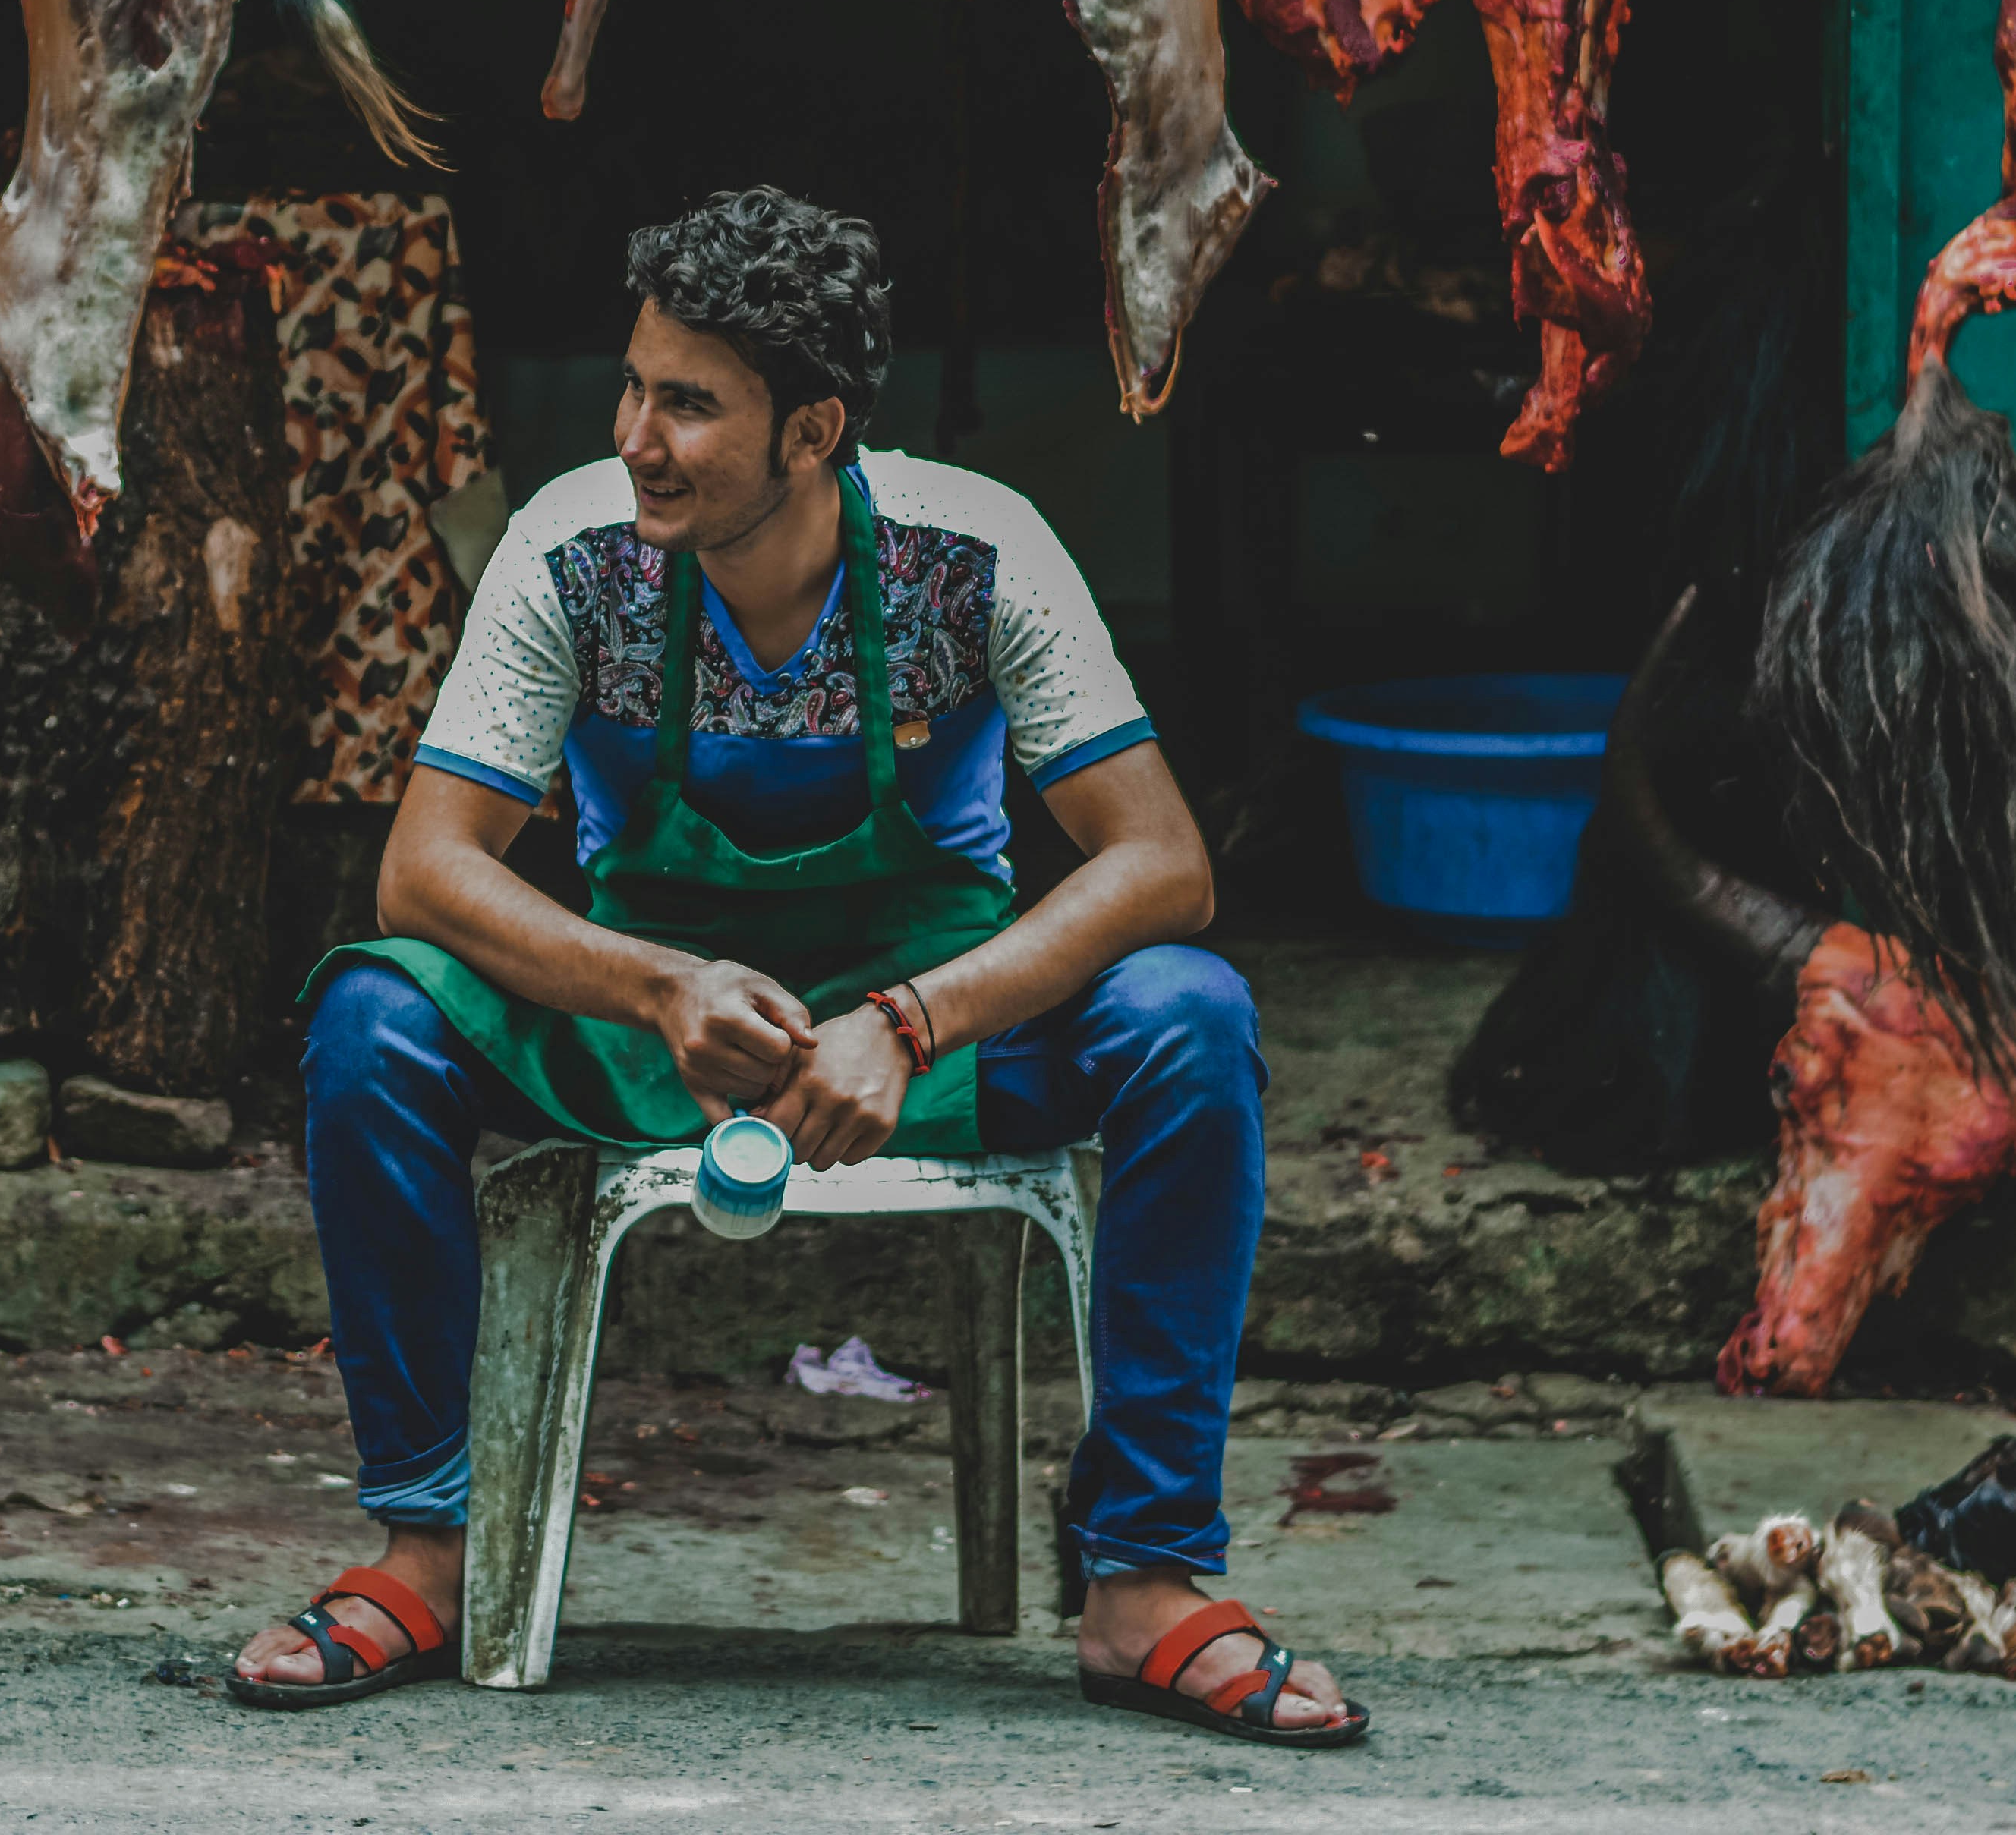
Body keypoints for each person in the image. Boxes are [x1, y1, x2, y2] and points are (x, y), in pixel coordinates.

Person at [231, 187, 1362, 1744]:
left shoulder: (977, 555)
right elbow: (421, 869)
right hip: (654, 1025)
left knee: (1190, 1017)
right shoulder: (572, 555)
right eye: (636, 384)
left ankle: (1146, 1577)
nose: (635, 432)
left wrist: (912, 1017)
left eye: (689, 404)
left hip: (929, 1039)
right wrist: (654, 986)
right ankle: (427, 1548)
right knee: (372, 1014)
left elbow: (1163, 860)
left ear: (815, 427)